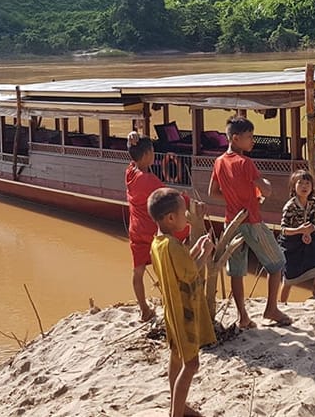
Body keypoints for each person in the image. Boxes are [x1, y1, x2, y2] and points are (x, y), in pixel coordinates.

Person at [208, 115, 291, 328]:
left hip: (231, 222)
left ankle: (242, 316)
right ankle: (271, 309)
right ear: (235, 139)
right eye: (249, 137)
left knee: (236, 271)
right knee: (277, 264)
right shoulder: (246, 163)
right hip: (252, 221)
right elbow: (267, 190)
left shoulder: (218, 162)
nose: (252, 141)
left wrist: (237, 198)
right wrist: (264, 188)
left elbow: (213, 192)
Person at [149, 188, 216, 417]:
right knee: (191, 364)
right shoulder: (172, 246)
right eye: (183, 212)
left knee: (176, 357)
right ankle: (176, 413)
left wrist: (196, 249)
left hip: (171, 312)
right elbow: (190, 274)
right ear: (170, 218)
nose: (186, 216)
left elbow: (180, 267)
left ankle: (177, 406)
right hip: (184, 313)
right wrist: (206, 254)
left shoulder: (159, 243)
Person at [278, 169, 315, 302]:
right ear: (294, 186)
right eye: (300, 183)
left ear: (312, 187)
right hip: (291, 241)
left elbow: (314, 221)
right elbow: (283, 230)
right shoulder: (290, 206)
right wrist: (299, 231)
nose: (304, 186)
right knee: (290, 274)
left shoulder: (313, 202)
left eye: (307, 183)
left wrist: (310, 231)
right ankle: (282, 303)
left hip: (308, 235)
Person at [126, 132, 165, 322]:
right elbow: (167, 196)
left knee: (138, 271)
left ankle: (144, 309)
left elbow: (132, 163)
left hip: (135, 229)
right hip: (151, 230)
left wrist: (133, 137)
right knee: (163, 267)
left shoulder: (131, 174)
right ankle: (168, 300)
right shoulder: (150, 181)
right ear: (148, 154)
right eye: (152, 151)